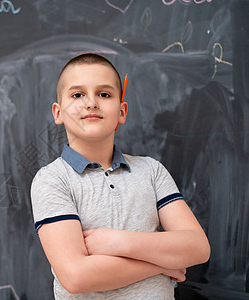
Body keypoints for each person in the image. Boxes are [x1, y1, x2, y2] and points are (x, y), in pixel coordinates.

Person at [30, 53, 210, 299]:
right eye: (77, 95)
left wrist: (117, 241)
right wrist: (162, 264)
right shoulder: (52, 179)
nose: (91, 102)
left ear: (122, 111)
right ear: (58, 113)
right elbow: (76, 276)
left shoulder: (151, 171)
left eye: (104, 94)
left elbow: (198, 248)